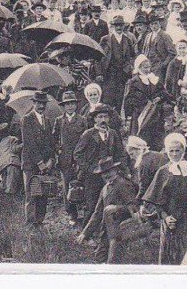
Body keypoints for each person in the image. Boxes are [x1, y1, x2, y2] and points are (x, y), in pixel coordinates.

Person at [141, 132, 187, 265]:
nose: (175, 154)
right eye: (171, 151)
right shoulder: (163, 171)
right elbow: (155, 199)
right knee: (169, 256)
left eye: (178, 150)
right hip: (170, 220)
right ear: (167, 151)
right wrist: (165, 217)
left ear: (183, 150)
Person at [73, 103, 129, 228]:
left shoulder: (113, 133)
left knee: (110, 203)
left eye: (105, 117)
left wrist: (124, 170)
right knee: (92, 204)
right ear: (94, 119)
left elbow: (121, 153)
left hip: (110, 175)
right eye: (100, 117)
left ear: (109, 118)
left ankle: (107, 232)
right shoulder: (88, 134)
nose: (103, 120)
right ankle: (87, 234)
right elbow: (77, 154)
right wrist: (89, 169)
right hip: (93, 176)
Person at [77, 157, 139, 264]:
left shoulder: (123, 184)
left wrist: (116, 208)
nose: (106, 175)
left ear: (115, 170)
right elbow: (97, 213)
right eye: (103, 173)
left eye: (108, 172)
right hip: (106, 232)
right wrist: (85, 233)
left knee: (112, 262)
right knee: (99, 258)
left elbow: (134, 207)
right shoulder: (105, 188)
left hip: (120, 231)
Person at [20, 91, 57, 227]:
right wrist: (40, 162)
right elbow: (29, 144)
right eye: (39, 103)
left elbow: (50, 143)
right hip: (31, 164)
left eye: (44, 103)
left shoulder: (47, 120)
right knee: (32, 194)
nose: (41, 106)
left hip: (45, 163)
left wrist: (51, 160)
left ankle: (40, 221)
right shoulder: (27, 119)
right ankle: (31, 223)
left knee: (43, 192)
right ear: (34, 103)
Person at [122, 54, 170, 150]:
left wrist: (159, 98)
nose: (148, 70)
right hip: (140, 116)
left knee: (155, 143)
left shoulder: (154, 79)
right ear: (139, 67)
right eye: (145, 67)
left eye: (149, 67)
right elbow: (128, 99)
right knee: (140, 140)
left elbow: (164, 93)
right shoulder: (133, 82)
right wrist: (141, 103)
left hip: (155, 116)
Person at [54, 90, 88, 225]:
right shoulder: (59, 121)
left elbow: (87, 139)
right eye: (67, 104)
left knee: (82, 184)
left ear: (76, 105)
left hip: (80, 158)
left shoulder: (83, 120)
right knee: (67, 186)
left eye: (72, 103)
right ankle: (72, 214)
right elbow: (54, 138)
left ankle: (85, 212)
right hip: (65, 159)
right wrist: (59, 149)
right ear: (63, 106)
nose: (70, 106)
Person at [98, 15, 137, 111]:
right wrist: (99, 73)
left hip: (122, 74)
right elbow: (98, 57)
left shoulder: (128, 39)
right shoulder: (105, 39)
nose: (119, 28)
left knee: (120, 100)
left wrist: (128, 68)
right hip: (109, 73)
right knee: (108, 99)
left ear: (124, 26)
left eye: (120, 25)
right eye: (116, 25)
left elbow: (132, 56)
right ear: (112, 26)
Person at [126, 135, 168, 200]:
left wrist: (137, 200)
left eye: (132, 154)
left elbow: (144, 187)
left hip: (158, 195)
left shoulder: (143, 163)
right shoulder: (157, 154)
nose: (131, 158)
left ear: (139, 150)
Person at [139, 10, 175, 78]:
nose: (154, 26)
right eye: (152, 24)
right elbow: (144, 52)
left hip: (160, 67)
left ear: (160, 24)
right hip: (149, 67)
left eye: (156, 23)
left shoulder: (165, 35)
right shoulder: (148, 36)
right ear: (149, 25)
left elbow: (172, 53)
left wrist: (163, 65)